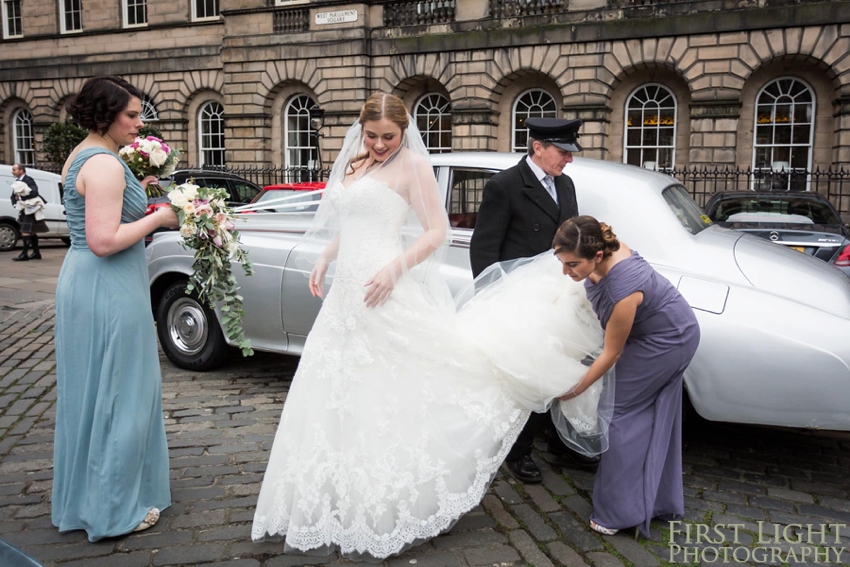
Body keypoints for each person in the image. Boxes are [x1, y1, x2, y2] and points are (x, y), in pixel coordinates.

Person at [251, 94, 608, 561]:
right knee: (337, 389)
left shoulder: (415, 167)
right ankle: (337, 492)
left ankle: (392, 493)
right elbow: (352, 220)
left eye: (389, 137)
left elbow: (435, 231)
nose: (379, 145)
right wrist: (324, 256)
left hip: (385, 285)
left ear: (403, 133)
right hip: (346, 295)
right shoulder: (357, 164)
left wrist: (394, 269)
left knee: (394, 389)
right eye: (372, 135)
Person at [52, 76, 178, 542]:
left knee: (94, 391)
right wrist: (158, 217)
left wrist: (138, 193)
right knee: (119, 392)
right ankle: (113, 510)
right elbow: (104, 241)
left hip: (88, 281)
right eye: (131, 114)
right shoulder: (103, 164)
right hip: (105, 284)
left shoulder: (87, 155)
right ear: (104, 115)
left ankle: (91, 496)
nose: (139, 122)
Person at [469, 117, 600, 484]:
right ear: (537, 147)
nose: (568, 160)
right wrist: (493, 300)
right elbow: (484, 249)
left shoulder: (566, 183)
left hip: (560, 295)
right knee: (525, 373)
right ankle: (519, 451)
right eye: (563, 152)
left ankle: (561, 441)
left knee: (562, 368)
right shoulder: (505, 185)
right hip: (518, 299)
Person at [552, 216, 701, 537]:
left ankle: (617, 513)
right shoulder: (601, 247)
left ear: (598, 257)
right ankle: (653, 499)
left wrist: (575, 389)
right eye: (562, 262)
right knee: (641, 415)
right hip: (652, 329)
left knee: (619, 414)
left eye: (572, 264)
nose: (566, 272)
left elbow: (612, 353)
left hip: (667, 340)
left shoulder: (623, 291)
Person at [10, 163, 46, 261]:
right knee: (32, 232)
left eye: (14, 170)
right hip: (23, 208)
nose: (12, 171)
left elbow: (34, 192)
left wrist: (21, 197)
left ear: (21, 170)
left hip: (31, 208)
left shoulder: (28, 180)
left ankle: (24, 254)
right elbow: (13, 196)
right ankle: (36, 253)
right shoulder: (17, 181)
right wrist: (15, 204)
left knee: (25, 231)